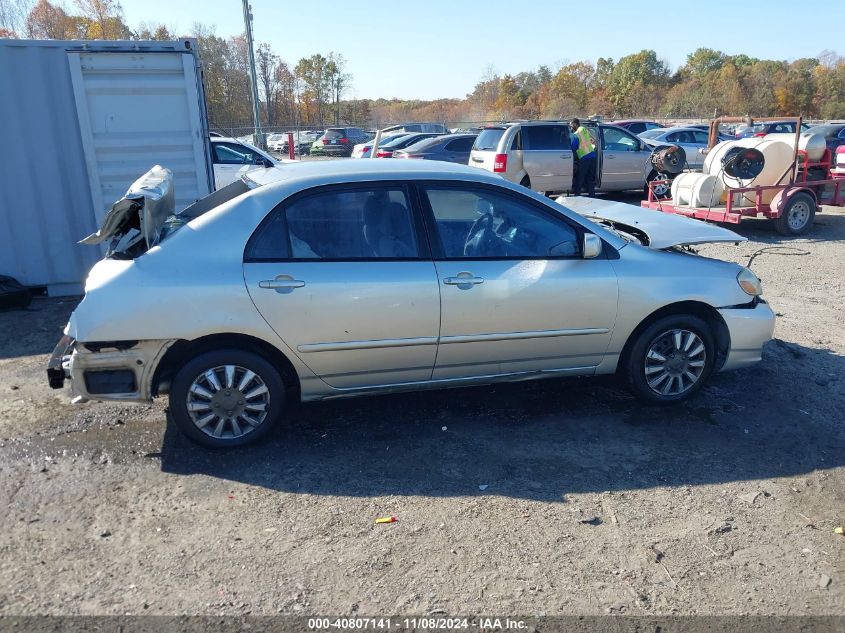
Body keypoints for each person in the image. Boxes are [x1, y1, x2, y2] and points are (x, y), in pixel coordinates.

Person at [570, 118, 597, 197]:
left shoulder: (577, 134)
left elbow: (573, 148)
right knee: (590, 178)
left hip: (585, 157)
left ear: (575, 124)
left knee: (580, 178)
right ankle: (592, 197)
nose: (571, 127)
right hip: (592, 155)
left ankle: (577, 196)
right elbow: (591, 140)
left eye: (571, 125)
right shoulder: (584, 129)